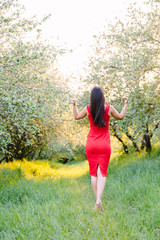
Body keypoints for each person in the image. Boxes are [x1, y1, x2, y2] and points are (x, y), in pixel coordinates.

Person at [72, 86, 128, 212]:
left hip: (91, 145)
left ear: (92, 97)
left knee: (93, 174)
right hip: (104, 146)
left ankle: (98, 202)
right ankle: (98, 201)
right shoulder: (108, 108)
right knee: (102, 174)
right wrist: (125, 104)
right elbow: (120, 116)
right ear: (102, 96)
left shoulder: (88, 108)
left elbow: (76, 117)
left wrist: (74, 105)